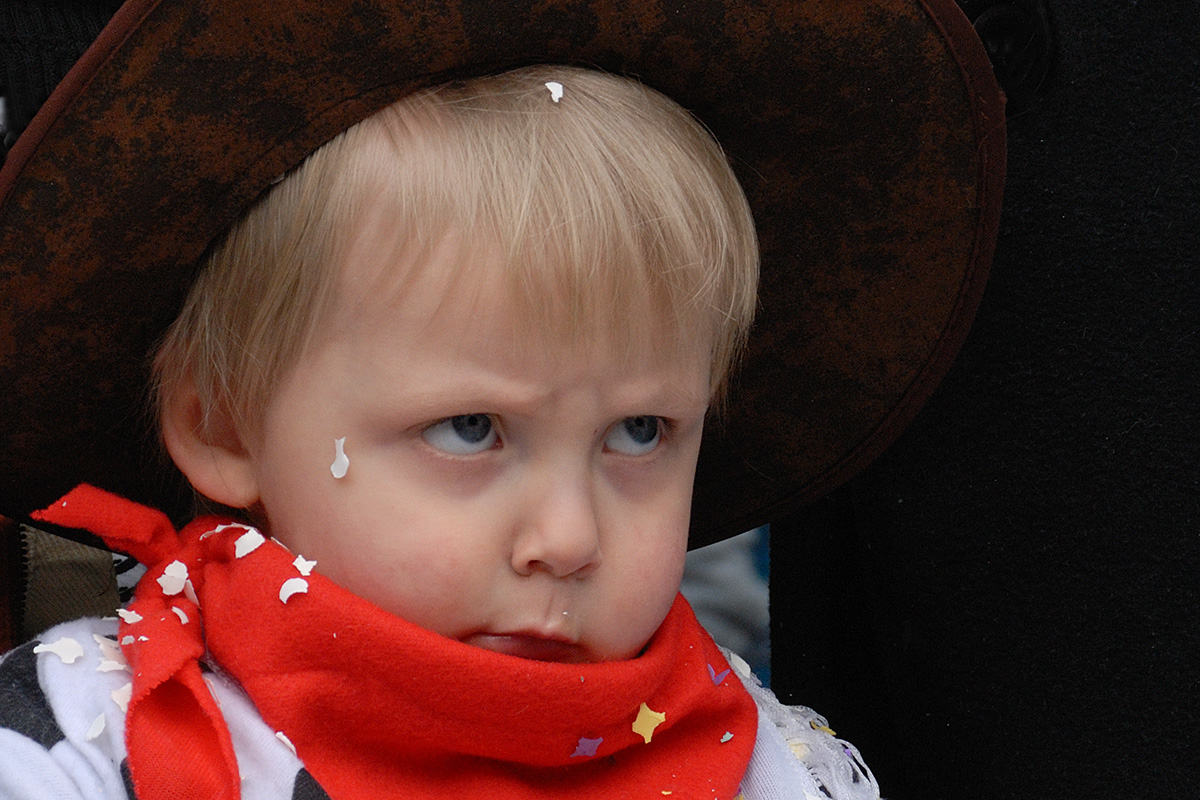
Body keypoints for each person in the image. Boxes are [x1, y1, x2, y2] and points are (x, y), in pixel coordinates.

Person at [0, 1, 1005, 798]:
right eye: (470, 428)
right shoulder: (80, 743)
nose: (567, 537)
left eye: (641, 430)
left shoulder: (771, 766)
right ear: (224, 421)